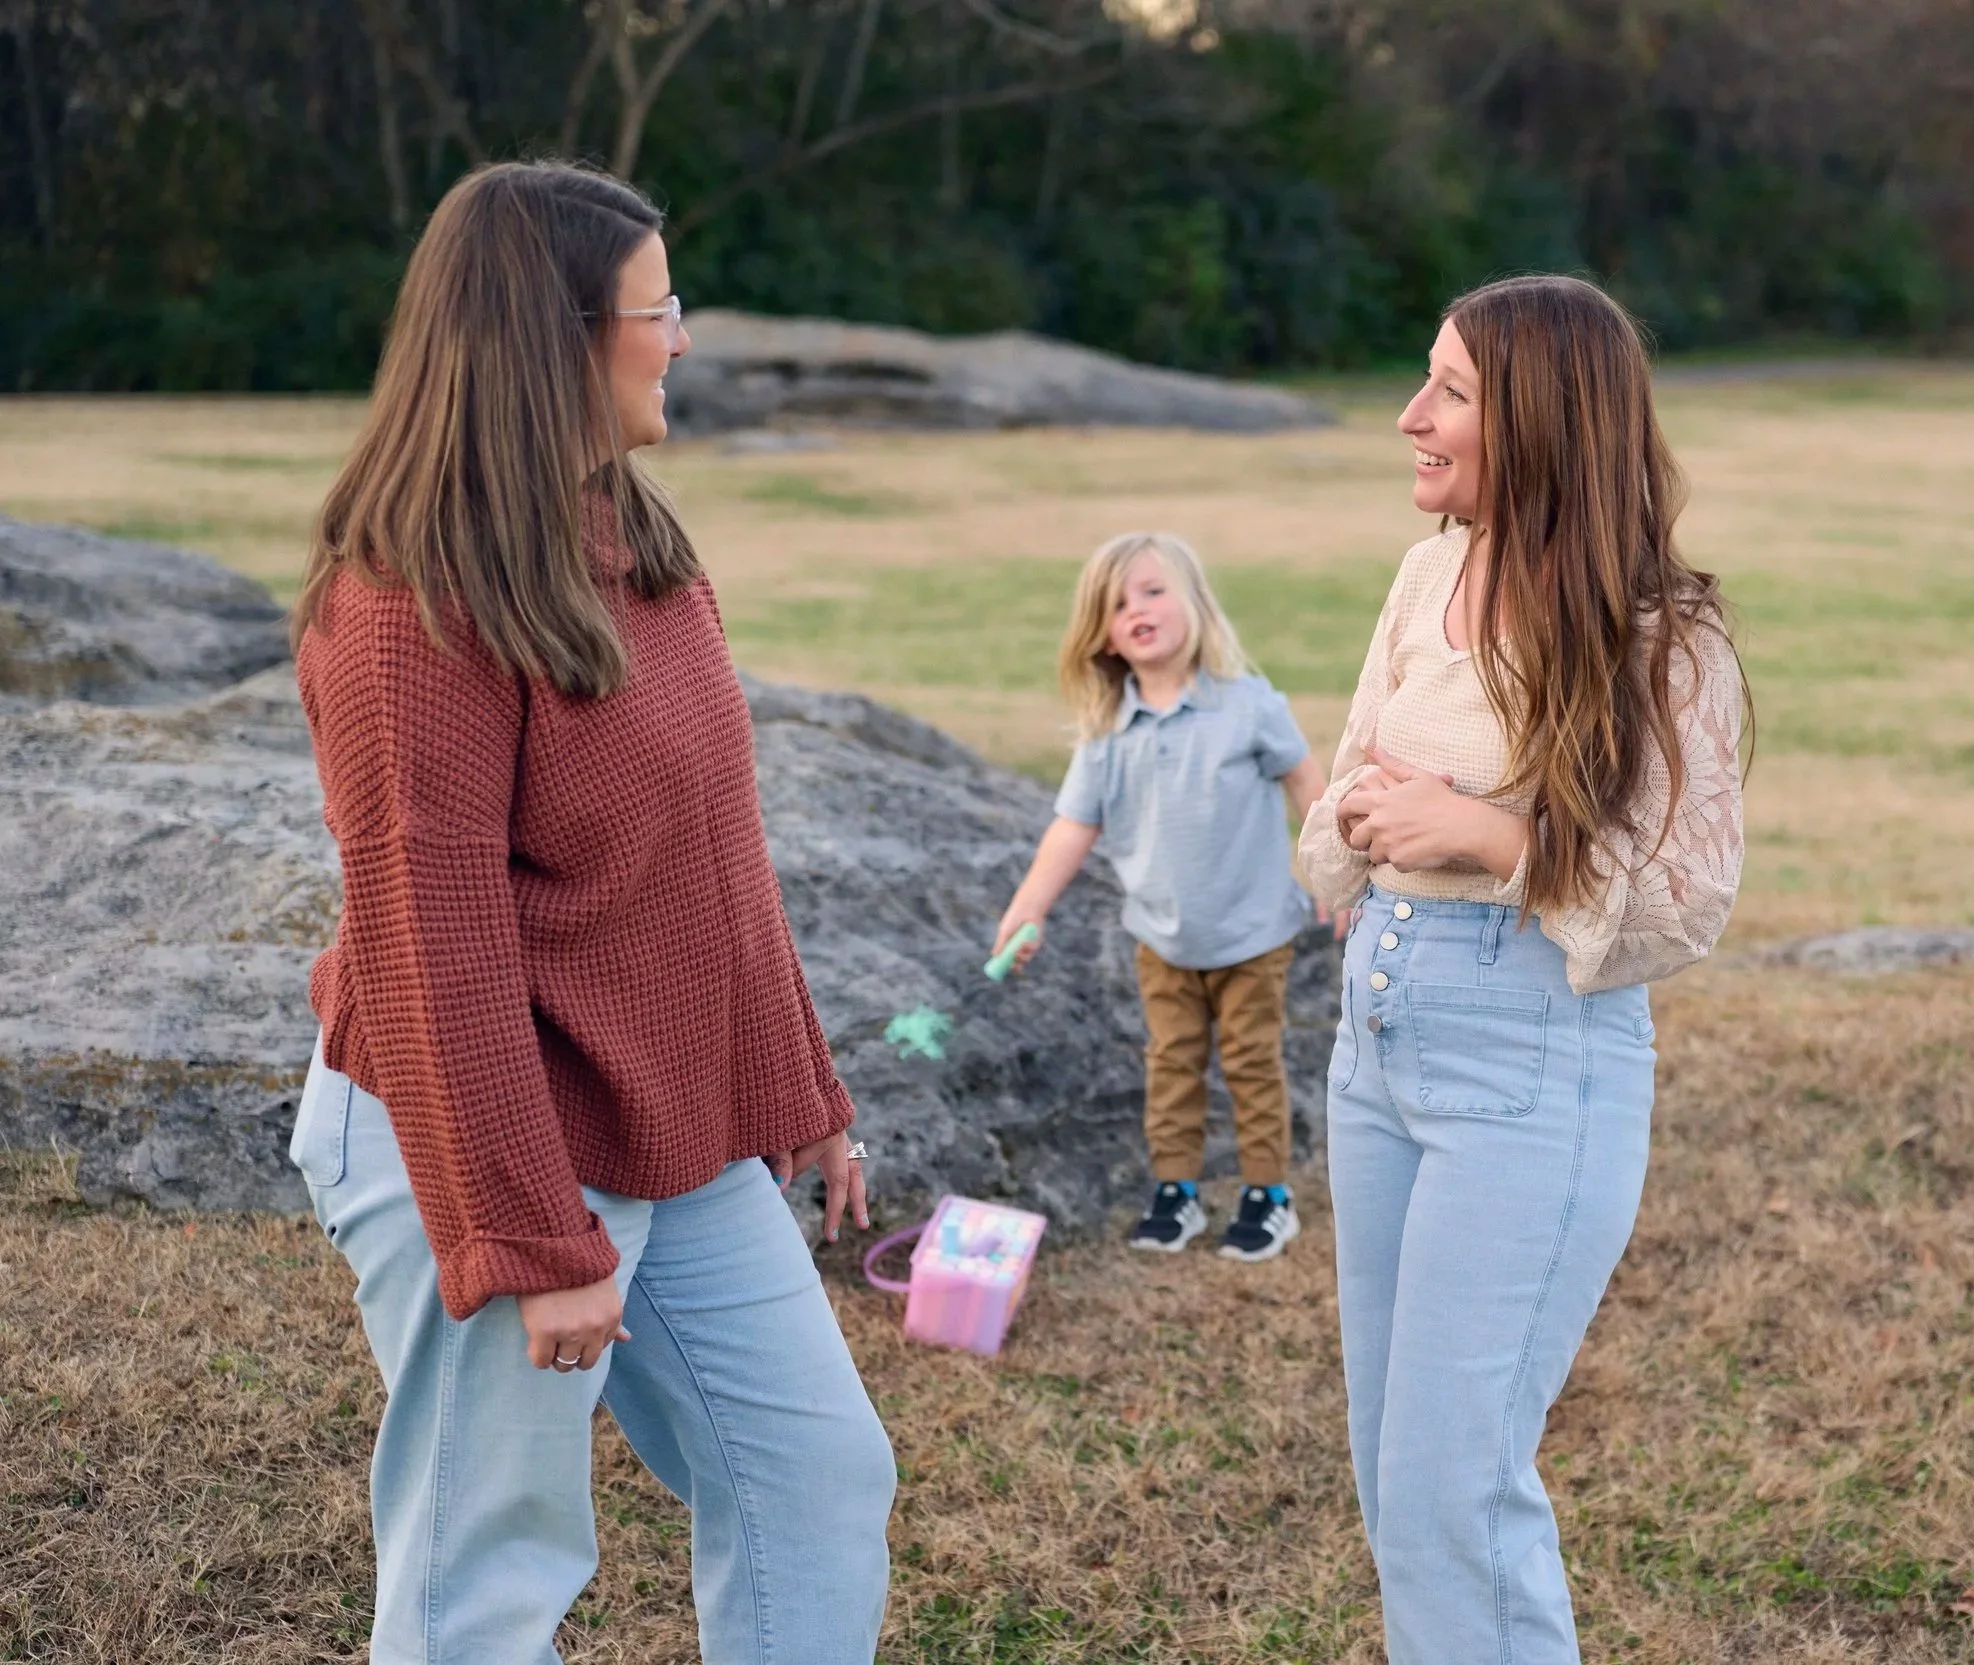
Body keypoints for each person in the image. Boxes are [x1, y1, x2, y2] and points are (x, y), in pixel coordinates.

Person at [285, 160, 896, 1664]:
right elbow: (432, 947)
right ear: (553, 335)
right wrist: (526, 1231)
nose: (680, 338)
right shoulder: (407, 602)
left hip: (665, 1122)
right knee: (488, 1577)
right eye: (658, 307)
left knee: (816, 1474)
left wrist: (796, 1081)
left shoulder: (636, 548)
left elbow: (712, 855)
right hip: (472, 1128)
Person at [1296, 275, 1748, 1662]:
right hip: (1375, 1043)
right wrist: (1360, 834)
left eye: (1450, 393)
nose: (1407, 416)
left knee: (1452, 1486)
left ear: (1544, 424)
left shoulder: (1662, 637)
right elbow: (1360, 765)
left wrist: (1490, 834)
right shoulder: (1432, 568)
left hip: (1530, 1061)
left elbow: (1686, 898)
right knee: (1394, 1471)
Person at [993, 532, 1333, 1262]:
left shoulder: (1248, 706)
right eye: (1118, 604)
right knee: (1172, 1064)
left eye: (1152, 591)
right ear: (1104, 635)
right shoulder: (1107, 732)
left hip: (1253, 935)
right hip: (1163, 939)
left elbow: (1309, 784)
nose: (1136, 609)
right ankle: (1175, 1190)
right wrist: (1029, 906)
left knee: (1251, 1062)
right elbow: (1069, 829)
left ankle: (1267, 1194)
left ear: (1195, 605)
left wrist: (1336, 866)